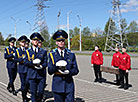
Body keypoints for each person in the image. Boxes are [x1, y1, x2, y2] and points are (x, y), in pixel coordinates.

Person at [48, 29, 79, 102]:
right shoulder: (52, 55)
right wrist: (56, 66)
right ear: (56, 42)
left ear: (65, 42)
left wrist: (69, 72)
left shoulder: (71, 55)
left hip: (68, 85)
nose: (61, 42)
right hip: (57, 84)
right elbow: (50, 71)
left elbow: (76, 70)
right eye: (59, 41)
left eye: (62, 41)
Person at [24, 32, 47, 102]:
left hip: (41, 75)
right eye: (34, 40)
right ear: (31, 41)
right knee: (33, 93)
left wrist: (41, 66)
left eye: (37, 40)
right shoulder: (28, 51)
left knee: (40, 92)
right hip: (32, 75)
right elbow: (25, 62)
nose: (36, 42)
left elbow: (46, 62)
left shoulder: (43, 51)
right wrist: (33, 64)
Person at [14, 35, 29, 102]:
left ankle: (25, 95)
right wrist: (22, 59)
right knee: (23, 84)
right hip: (21, 69)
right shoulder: (17, 50)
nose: (23, 43)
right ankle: (24, 98)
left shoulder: (28, 50)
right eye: (22, 42)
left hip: (28, 69)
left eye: (24, 42)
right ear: (20, 43)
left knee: (27, 84)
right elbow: (15, 59)